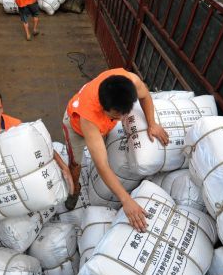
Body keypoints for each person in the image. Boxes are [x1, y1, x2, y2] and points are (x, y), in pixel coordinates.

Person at [62, 69, 169, 232]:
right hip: (76, 128)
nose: (120, 119)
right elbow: (102, 165)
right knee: (76, 164)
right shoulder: (89, 118)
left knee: (103, 147)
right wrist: (126, 200)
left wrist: (152, 123)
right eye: (115, 116)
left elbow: (146, 95)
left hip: (101, 126)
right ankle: (74, 189)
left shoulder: (130, 82)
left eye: (123, 115)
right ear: (103, 107)